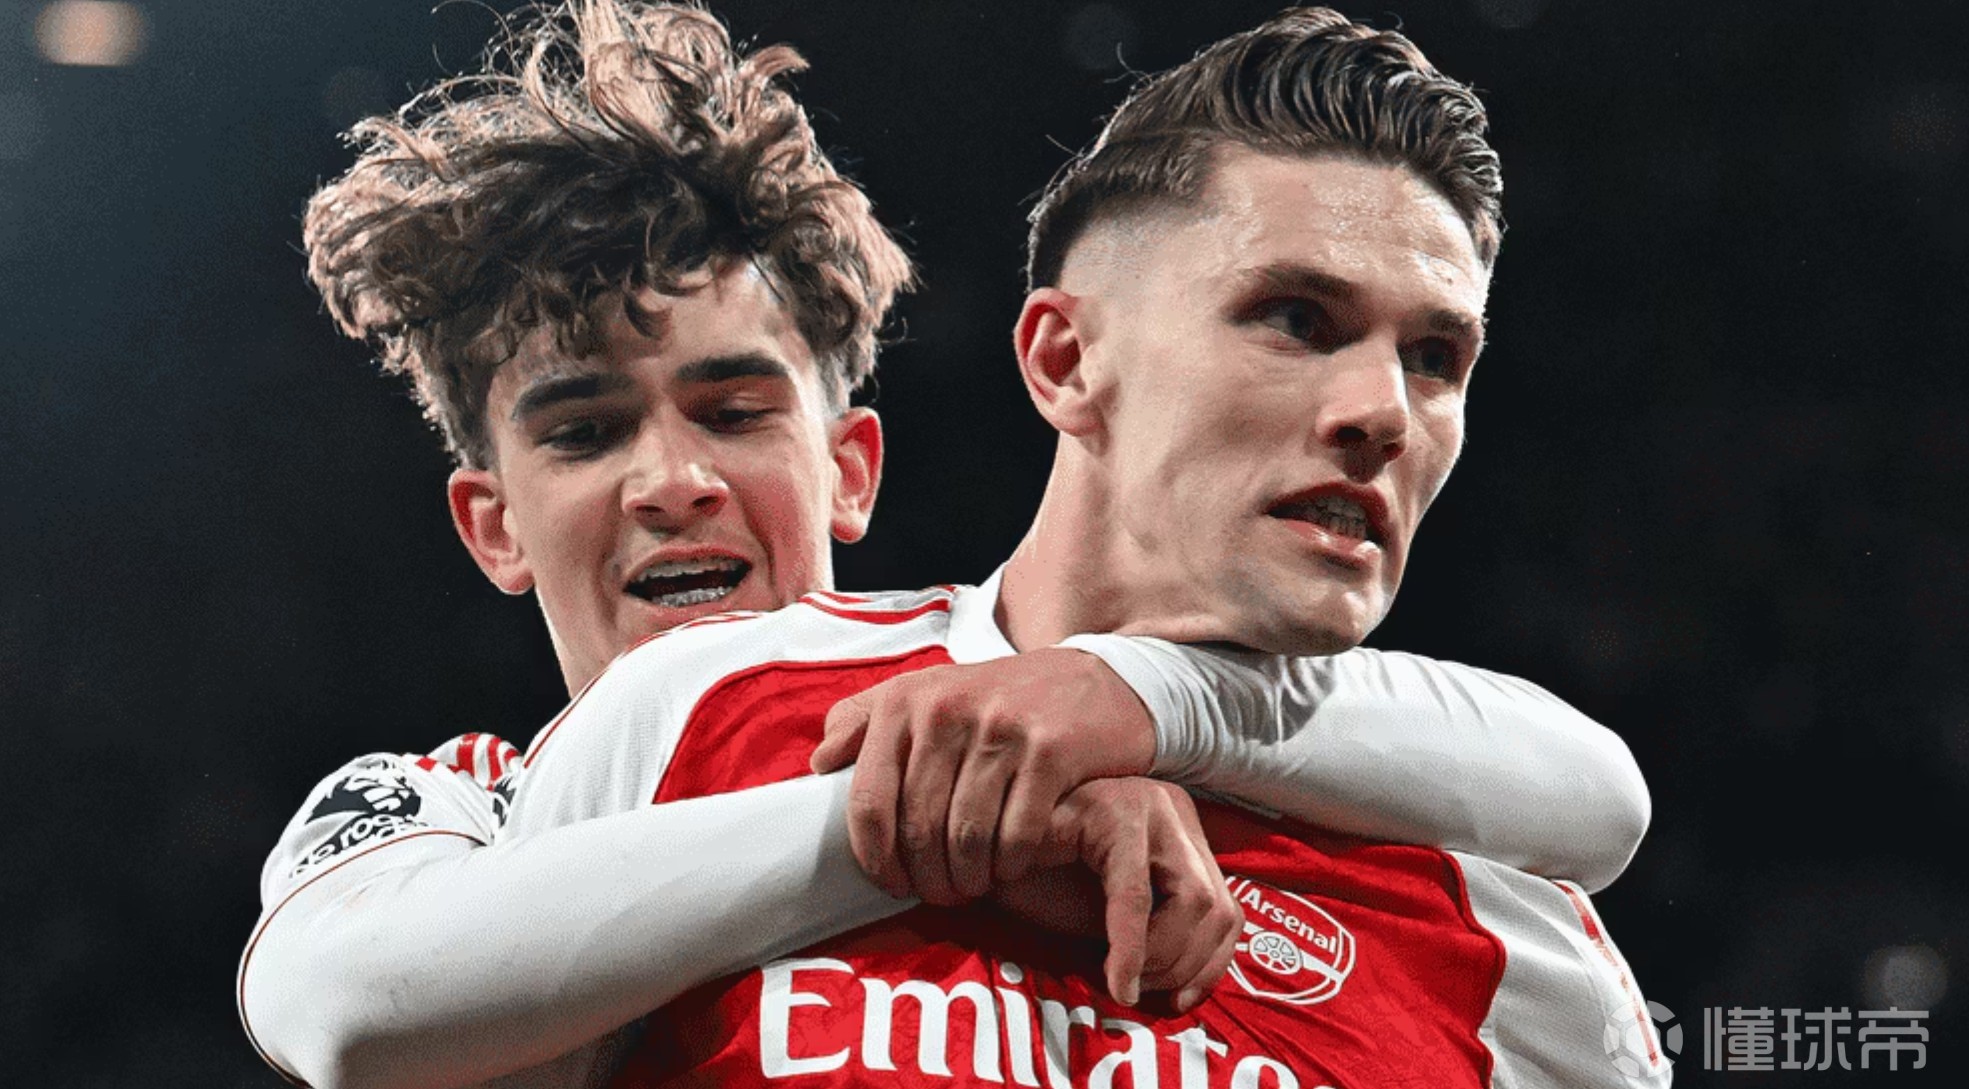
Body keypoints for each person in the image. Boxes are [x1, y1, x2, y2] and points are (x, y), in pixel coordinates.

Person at [236, 3, 1654, 1087]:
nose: (1380, 412)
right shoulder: (647, 737)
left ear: (850, 467)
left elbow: (1601, 792)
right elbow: (359, 1003)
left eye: (1437, 358)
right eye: (1295, 318)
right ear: (1063, 359)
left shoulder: (1495, 892)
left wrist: (1130, 702)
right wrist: (961, 820)